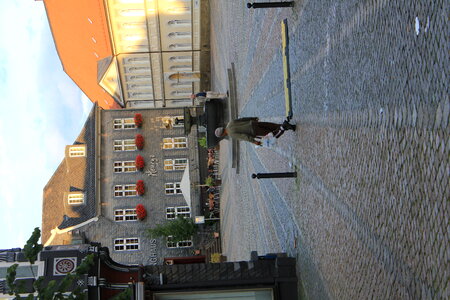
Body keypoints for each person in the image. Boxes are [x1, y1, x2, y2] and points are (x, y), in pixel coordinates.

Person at [215, 117, 296, 145]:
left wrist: (254, 141)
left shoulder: (231, 134)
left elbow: (244, 137)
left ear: (222, 135)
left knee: (272, 135)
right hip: (253, 123)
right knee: (272, 126)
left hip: (254, 131)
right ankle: (290, 126)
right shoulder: (230, 123)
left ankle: (284, 126)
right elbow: (243, 119)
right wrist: (253, 118)